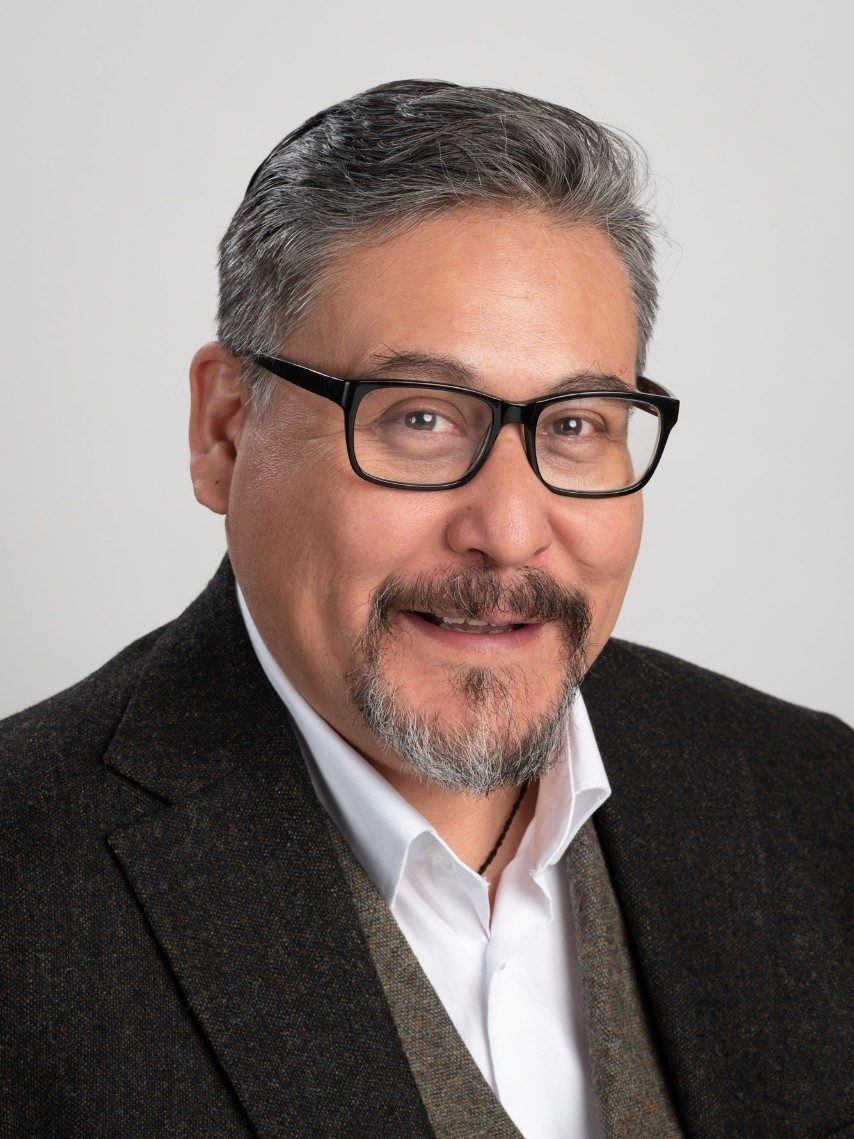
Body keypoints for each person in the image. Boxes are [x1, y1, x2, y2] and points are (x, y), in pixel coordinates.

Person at [1, 80, 850, 1139]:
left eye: (576, 423)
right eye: (418, 417)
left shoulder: (815, 801)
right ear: (224, 430)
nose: (507, 527)